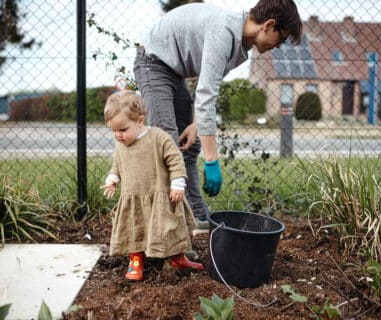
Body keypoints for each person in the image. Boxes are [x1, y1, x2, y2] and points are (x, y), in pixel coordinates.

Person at [133, 0, 303, 227]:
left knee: (188, 145)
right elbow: (206, 94)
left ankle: (197, 216)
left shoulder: (242, 46)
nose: (278, 46)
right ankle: (164, 230)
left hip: (174, 72)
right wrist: (212, 160)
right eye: (280, 39)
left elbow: (207, 85)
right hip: (153, 63)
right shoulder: (224, 31)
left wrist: (195, 124)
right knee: (167, 145)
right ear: (268, 25)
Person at [100, 90, 203, 281]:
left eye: (122, 130)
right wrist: (112, 178)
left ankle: (177, 257)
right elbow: (117, 164)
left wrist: (178, 183)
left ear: (139, 121)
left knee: (170, 227)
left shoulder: (158, 137)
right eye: (113, 131)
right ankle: (136, 260)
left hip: (161, 195)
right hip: (133, 197)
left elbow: (175, 160)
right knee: (134, 227)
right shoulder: (120, 145)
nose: (118, 136)